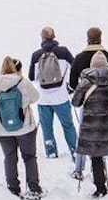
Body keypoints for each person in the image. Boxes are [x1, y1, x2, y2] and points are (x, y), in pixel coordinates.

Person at [72, 52, 108, 198]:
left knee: (96, 157)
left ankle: (100, 188)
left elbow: (75, 102)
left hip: (92, 128)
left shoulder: (85, 83)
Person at [68, 27, 108, 180]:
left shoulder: (79, 58)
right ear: (101, 37)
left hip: (89, 107)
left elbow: (72, 85)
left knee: (87, 141)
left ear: (87, 38)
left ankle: (79, 169)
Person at [0, 57, 44, 199]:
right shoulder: (23, 83)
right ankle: (34, 188)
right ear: (19, 69)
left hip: (3, 129)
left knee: (10, 157)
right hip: (25, 128)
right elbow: (35, 97)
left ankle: (13, 188)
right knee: (29, 157)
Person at [29, 26, 78, 160]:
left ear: (42, 38)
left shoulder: (36, 55)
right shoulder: (63, 52)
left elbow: (32, 77)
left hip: (43, 99)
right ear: (54, 37)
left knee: (47, 128)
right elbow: (75, 68)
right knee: (68, 126)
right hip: (61, 97)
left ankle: (51, 154)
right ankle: (75, 152)